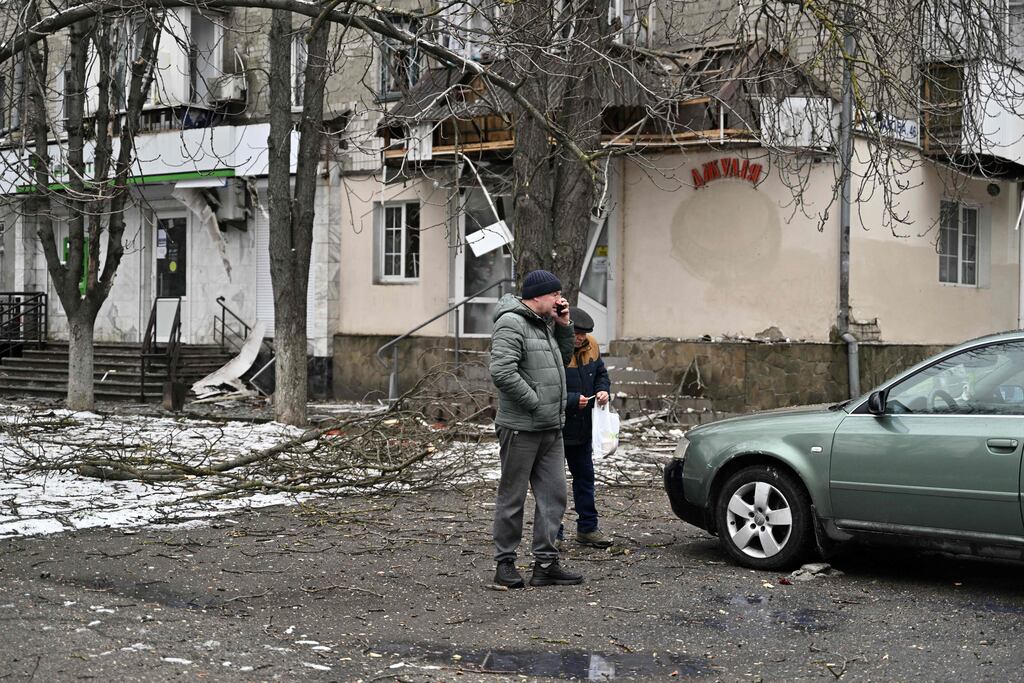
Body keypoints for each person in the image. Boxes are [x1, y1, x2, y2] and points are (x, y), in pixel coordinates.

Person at [489, 269, 584, 588]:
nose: (560, 299)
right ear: (538, 296)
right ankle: (504, 564)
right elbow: (501, 371)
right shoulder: (511, 322)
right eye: (555, 294)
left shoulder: (544, 324)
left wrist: (563, 326)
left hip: (550, 427)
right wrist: (535, 401)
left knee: (554, 496)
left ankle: (545, 564)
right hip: (520, 427)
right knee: (512, 497)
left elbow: (563, 358)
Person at [561, 307, 613, 548]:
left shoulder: (591, 345)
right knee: (555, 485)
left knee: (585, 479)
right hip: (557, 429)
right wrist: (572, 401)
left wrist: (603, 390)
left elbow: (601, 373)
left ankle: (588, 528)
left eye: (584, 333)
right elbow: (547, 387)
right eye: (577, 333)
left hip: (583, 429)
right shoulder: (556, 346)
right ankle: (554, 533)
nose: (580, 338)